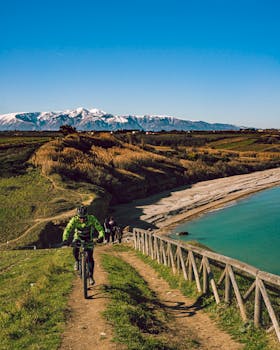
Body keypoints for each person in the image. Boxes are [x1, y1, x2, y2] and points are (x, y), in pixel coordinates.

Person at [62, 205, 105, 285]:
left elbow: (99, 228)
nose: (82, 219)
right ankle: (77, 261)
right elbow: (67, 229)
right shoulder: (74, 220)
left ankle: (91, 277)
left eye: (84, 217)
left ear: (87, 215)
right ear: (77, 216)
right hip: (78, 238)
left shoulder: (92, 218)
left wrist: (101, 236)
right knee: (75, 248)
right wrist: (65, 239)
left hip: (89, 239)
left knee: (90, 258)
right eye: (80, 217)